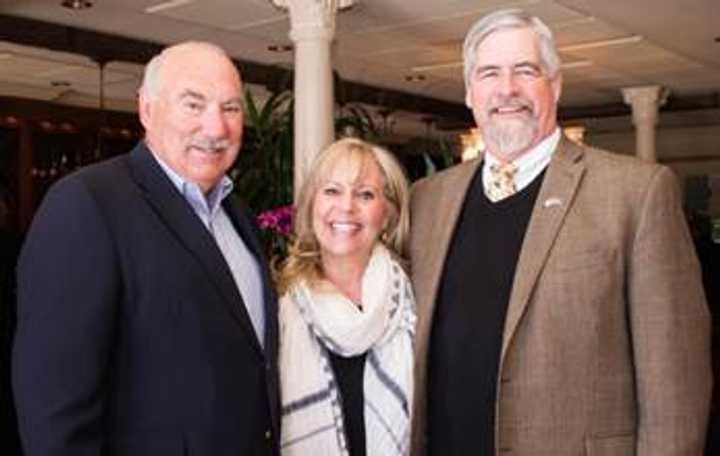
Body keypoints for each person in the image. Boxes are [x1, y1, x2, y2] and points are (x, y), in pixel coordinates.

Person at [409, 8, 711, 456]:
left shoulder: (637, 193)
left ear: (555, 84)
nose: (506, 89)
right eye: (489, 73)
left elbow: (675, 387)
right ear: (471, 92)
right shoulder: (427, 199)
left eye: (525, 70)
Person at [12, 41, 279, 455]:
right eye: (194, 104)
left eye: (230, 108)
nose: (216, 128)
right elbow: (53, 406)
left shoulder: (237, 213)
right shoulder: (87, 204)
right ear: (147, 110)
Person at [278, 138, 415, 456]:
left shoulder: (418, 301)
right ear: (312, 203)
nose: (346, 206)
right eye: (332, 191)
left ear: (388, 215)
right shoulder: (280, 310)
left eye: (365, 194)